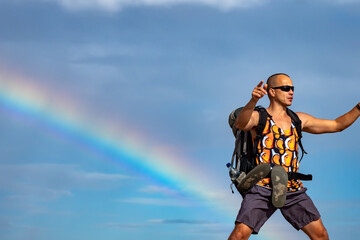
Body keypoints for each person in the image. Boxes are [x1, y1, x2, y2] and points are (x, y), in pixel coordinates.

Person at [228, 73, 360, 240]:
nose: (291, 92)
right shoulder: (258, 117)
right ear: (272, 92)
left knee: (321, 235)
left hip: (292, 187)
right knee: (239, 234)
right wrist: (253, 101)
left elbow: (337, 125)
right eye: (285, 88)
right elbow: (241, 123)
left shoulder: (298, 120)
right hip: (262, 185)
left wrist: (359, 107)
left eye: (292, 88)